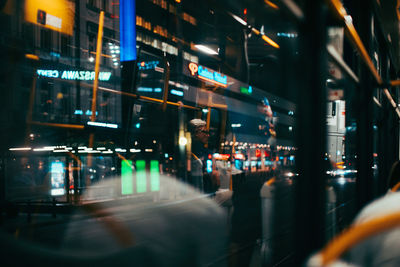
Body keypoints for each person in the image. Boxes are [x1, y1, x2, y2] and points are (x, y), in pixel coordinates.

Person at [188, 119, 220, 193]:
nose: (208, 135)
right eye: (205, 132)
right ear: (196, 133)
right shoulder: (205, 153)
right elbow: (216, 182)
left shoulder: (206, 152)